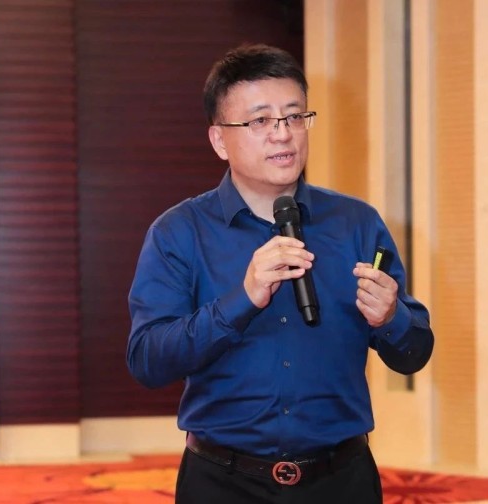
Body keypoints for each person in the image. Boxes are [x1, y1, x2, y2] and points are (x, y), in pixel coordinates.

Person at [127, 43, 434, 504]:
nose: (283, 134)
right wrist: (241, 300)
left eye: (294, 117)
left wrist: (391, 317)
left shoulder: (356, 223)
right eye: (260, 121)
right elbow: (148, 360)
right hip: (222, 483)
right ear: (219, 140)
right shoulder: (179, 232)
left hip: (341, 480)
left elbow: (414, 353)